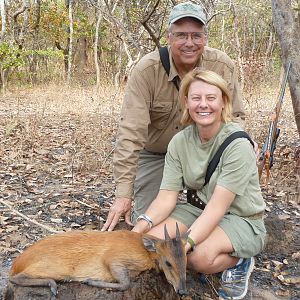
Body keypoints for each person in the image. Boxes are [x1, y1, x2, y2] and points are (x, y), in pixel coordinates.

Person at [101, 1, 247, 232]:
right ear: (168, 37)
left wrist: (241, 148)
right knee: (146, 226)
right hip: (157, 154)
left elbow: (235, 116)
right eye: (181, 35)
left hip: (207, 153)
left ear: (205, 38)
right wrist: (123, 194)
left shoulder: (220, 65)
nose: (189, 43)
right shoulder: (146, 71)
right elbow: (130, 133)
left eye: (196, 36)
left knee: (221, 223)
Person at [132, 69, 266, 300]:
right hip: (197, 209)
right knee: (152, 243)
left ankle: (240, 260)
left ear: (223, 101)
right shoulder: (179, 142)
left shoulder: (238, 144)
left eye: (211, 98)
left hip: (240, 217)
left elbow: (217, 208)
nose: (203, 105)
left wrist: (185, 244)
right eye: (196, 98)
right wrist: (136, 231)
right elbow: (166, 197)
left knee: (196, 258)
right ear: (186, 102)